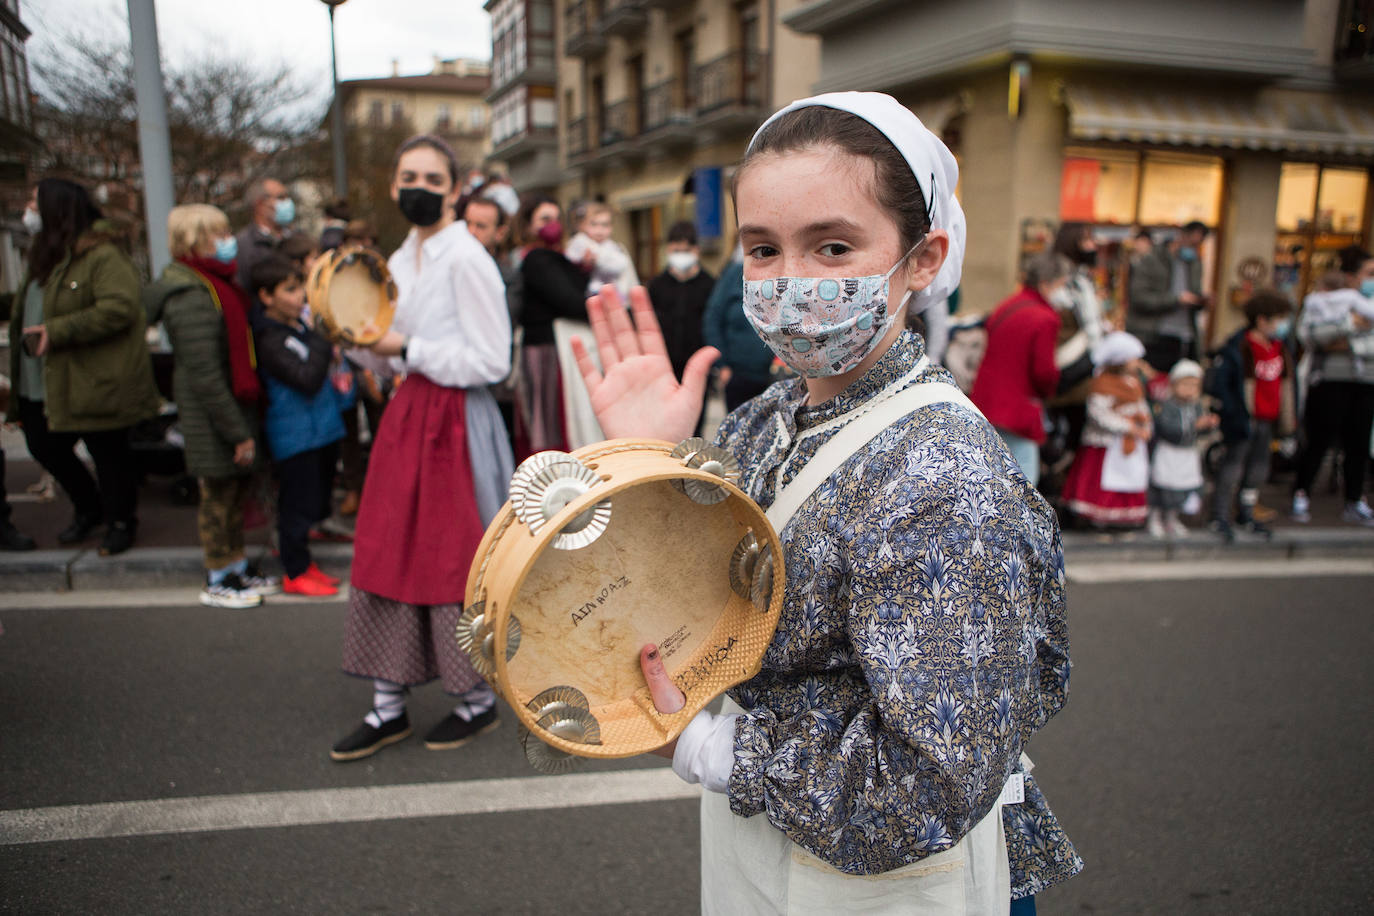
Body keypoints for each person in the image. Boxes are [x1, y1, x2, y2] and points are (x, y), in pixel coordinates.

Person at [570, 91, 1080, 912]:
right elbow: (689, 597)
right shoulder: (765, 418)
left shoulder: (943, 480)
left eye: (833, 246)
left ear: (921, 259)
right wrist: (655, 467)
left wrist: (712, 748)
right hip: (776, 856)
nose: (790, 280)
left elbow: (928, 783)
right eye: (763, 249)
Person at [332, 134, 514, 761]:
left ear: (455, 190)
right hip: (410, 414)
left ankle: (476, 699)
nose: (419, 188)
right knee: (388, 548)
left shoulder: (466, 257)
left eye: (433, 179)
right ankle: (387, 704)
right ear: (392, 185)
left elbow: (493, 360)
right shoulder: (396, 258)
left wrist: (403, 351)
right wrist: (354, 338)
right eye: (408, 175)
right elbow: (385, 352)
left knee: (451, 556)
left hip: (457, 420)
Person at [7, 178, 159, 556]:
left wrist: (58, 331)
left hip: (89, 379)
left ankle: (120, 521)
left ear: (56, 209)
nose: (28, 210)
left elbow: (121, 307)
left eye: (34, 202)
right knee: (44, 446)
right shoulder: (43, 253)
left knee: (108, 454)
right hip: (40, 380)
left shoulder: (102, 255)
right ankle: (90, 508)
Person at [144, 203, 279, 607]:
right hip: (214, 417)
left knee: (234, 494)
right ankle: (218, 575)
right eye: (217, 234)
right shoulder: (190, 295)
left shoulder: (216, 285)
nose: (227, 242)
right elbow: (206, 375)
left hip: (233, 410)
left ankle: (235, 567)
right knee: (218, 497)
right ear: (193, 240)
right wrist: (236, 432)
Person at [248, 255, 350, 596]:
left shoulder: (298, 327)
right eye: (290, 291)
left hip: (319, 430)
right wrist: (324, 339)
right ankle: (295, 570)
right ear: (266, 296)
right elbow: (305, 378)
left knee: (312, 500)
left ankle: (305, 561)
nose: (299, 298)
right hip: (295, 436)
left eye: (300, 290)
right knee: (295, 505)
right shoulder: (268, 340)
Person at [1291, 247, 1374, 526]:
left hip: (1364, 383)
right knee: (1318, 440)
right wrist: (1349, 326)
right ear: (1351, 276)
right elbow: (1310, 335)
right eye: (1369, 274)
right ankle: (1300, 494)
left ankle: (1354, 500)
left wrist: (1342, 342)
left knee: (1358, 445)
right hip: (1327, 380)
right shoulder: (1320, 302)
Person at [969, 252, 1067, 487]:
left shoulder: (1008, 304)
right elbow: (1044, 372)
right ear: (1046, 284)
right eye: (1061, 284)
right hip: (1019, 407)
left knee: (991, 470)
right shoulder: (1045, 318)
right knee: (1025, 478)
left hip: (988, 400)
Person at [1206, 290, 1292, 540]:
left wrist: (1288, 419)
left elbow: (1287, 384)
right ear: (1262, 320)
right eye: (1278, 319)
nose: (1281, 325)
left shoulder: (1279, 348)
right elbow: (1223, 385)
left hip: (1269, 418)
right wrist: (1233, 413)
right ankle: (1219, 515)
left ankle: (1246, 512)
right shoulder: (1239, 347)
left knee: (1257, 469)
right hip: (1243, 419)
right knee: (1232, 466)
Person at [514, 194, 596, 456]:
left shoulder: (558, 258)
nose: (553, 225)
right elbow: (568, 300)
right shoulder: (537, 259)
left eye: (557, 219)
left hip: (557, 348)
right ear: (528, 226)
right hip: (544, 352)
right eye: (545, 219)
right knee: (548, 426)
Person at [1060, 331, 1153, 528]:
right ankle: (1097, 515)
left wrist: (1145, 425)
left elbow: (1141, 407)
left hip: (1129, 443)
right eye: (1133, 359)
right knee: (1102, 479)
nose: (1138, 363)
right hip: (1107, 442)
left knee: (1128, 477)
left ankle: (1122, 516)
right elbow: (1098, 414)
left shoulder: (1134, 383)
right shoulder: (1102, 383)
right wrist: (1127, 426)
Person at [647, 220, 716, 435]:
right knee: (666, 423)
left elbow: (713, 323)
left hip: (698, 364)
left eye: (686, 250)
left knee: (695, 423)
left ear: (696, 250)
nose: (681, 255)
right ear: (668, 249)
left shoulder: (710, 284)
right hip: (665, 364)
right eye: (676, 250)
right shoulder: (658, 285)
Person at [1127, 221, 1208, 373]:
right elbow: (1139, 298)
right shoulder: (1151, 260)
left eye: (1198, 243)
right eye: (1191, 242)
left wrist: (1201, 301)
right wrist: (1175, 300)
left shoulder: (1194, 264)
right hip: (1155, 336)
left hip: (1186, 337)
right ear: (1181, 236)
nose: (1193, 247)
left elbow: (1195, 293)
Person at [1147, 359, 1216, 539]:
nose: (1189, 389)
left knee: (1181, 488)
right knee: (1162, 486)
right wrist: (1195, 426)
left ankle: (1172, 519)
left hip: (1187, 453)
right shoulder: (1166, 406)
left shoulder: (1196, 407)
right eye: (1185, 384)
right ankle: (1155, 518)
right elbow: (1166, 428)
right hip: (1169, 452)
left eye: (1194, 385)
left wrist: (1208, 425)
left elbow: (1201, 432)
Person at [702, 242, 774, 412]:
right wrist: (722, 365)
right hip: (738, 376)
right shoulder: (732, 276)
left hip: (773, 376)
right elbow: (713, 320)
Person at [564, 201, 639, 298]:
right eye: (594, 224)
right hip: (590, 293)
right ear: (583, 226)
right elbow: (570, 258)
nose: (600, 230)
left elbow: (621, 266)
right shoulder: (580, 241)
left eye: (605, 225)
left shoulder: (614, 246)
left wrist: (597, 260)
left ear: (611, 227)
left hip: (614, 292)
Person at [235, 177, 295, 291]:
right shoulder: (243, 245)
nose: (288, 203)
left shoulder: (296, 236)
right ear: (260, 204)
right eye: (281, 197)